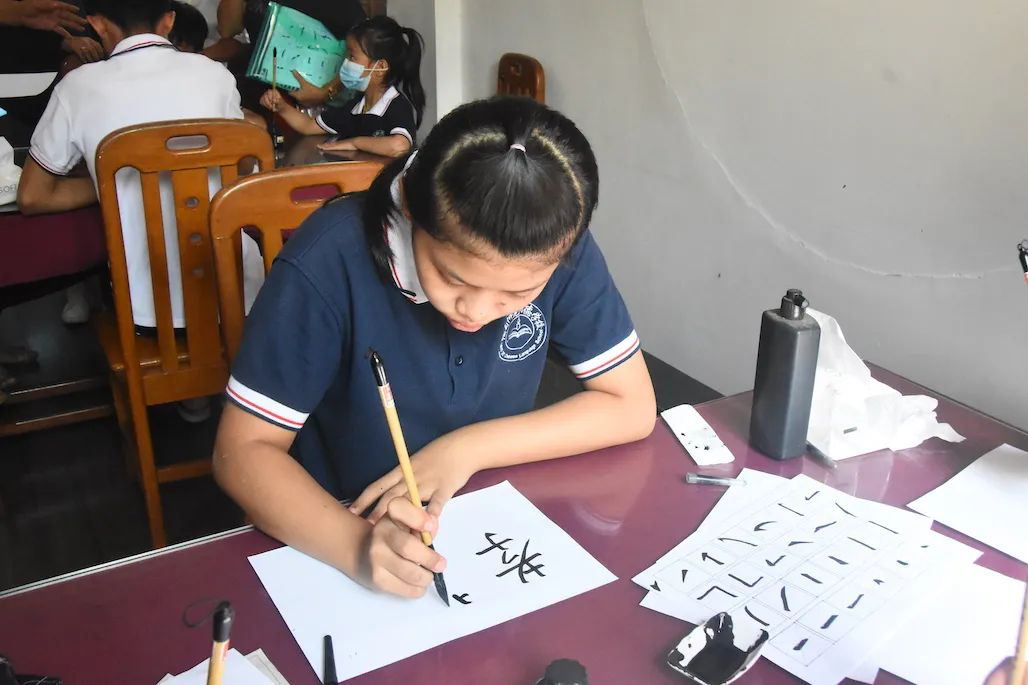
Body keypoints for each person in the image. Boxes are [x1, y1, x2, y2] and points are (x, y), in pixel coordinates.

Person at [213, 96, 657, 599]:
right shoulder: (327, 262)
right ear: (410, 207)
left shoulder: (552, 244)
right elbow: (241, 453)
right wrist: (355, 546)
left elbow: (632, 405)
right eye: (452, 278)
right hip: (341, 518)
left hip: (487, 519)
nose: (477, 311)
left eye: (518, 295)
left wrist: (467, 450)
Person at [259, 16, 423, 158]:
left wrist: (354, 143)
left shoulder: (396, 106)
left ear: (379, 67)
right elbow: (308, 126)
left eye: (352, 57)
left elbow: (399, 146)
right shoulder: (354, 108)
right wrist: (281, 107)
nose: (346, 63)